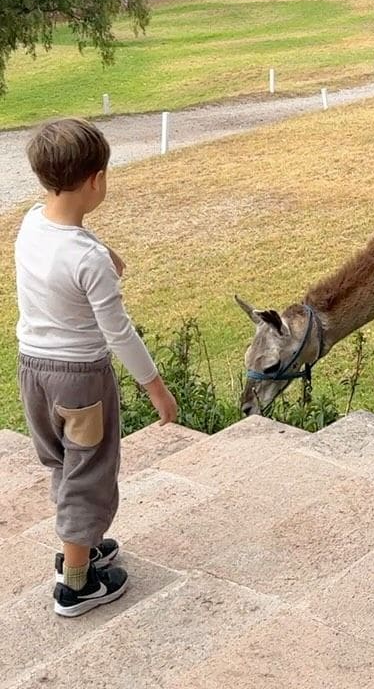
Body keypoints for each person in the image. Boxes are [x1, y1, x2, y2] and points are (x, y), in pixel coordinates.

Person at [15, 118, 178, 617]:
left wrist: (102, 250)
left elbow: (65, 248)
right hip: (80, 379)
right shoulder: (89, 261)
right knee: (90, 473)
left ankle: (78, 545)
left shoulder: (30, 222)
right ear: (96, 181)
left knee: (63, 464)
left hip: (33, 372)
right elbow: (118, 333)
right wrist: (157, 389)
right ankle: (76, 583)